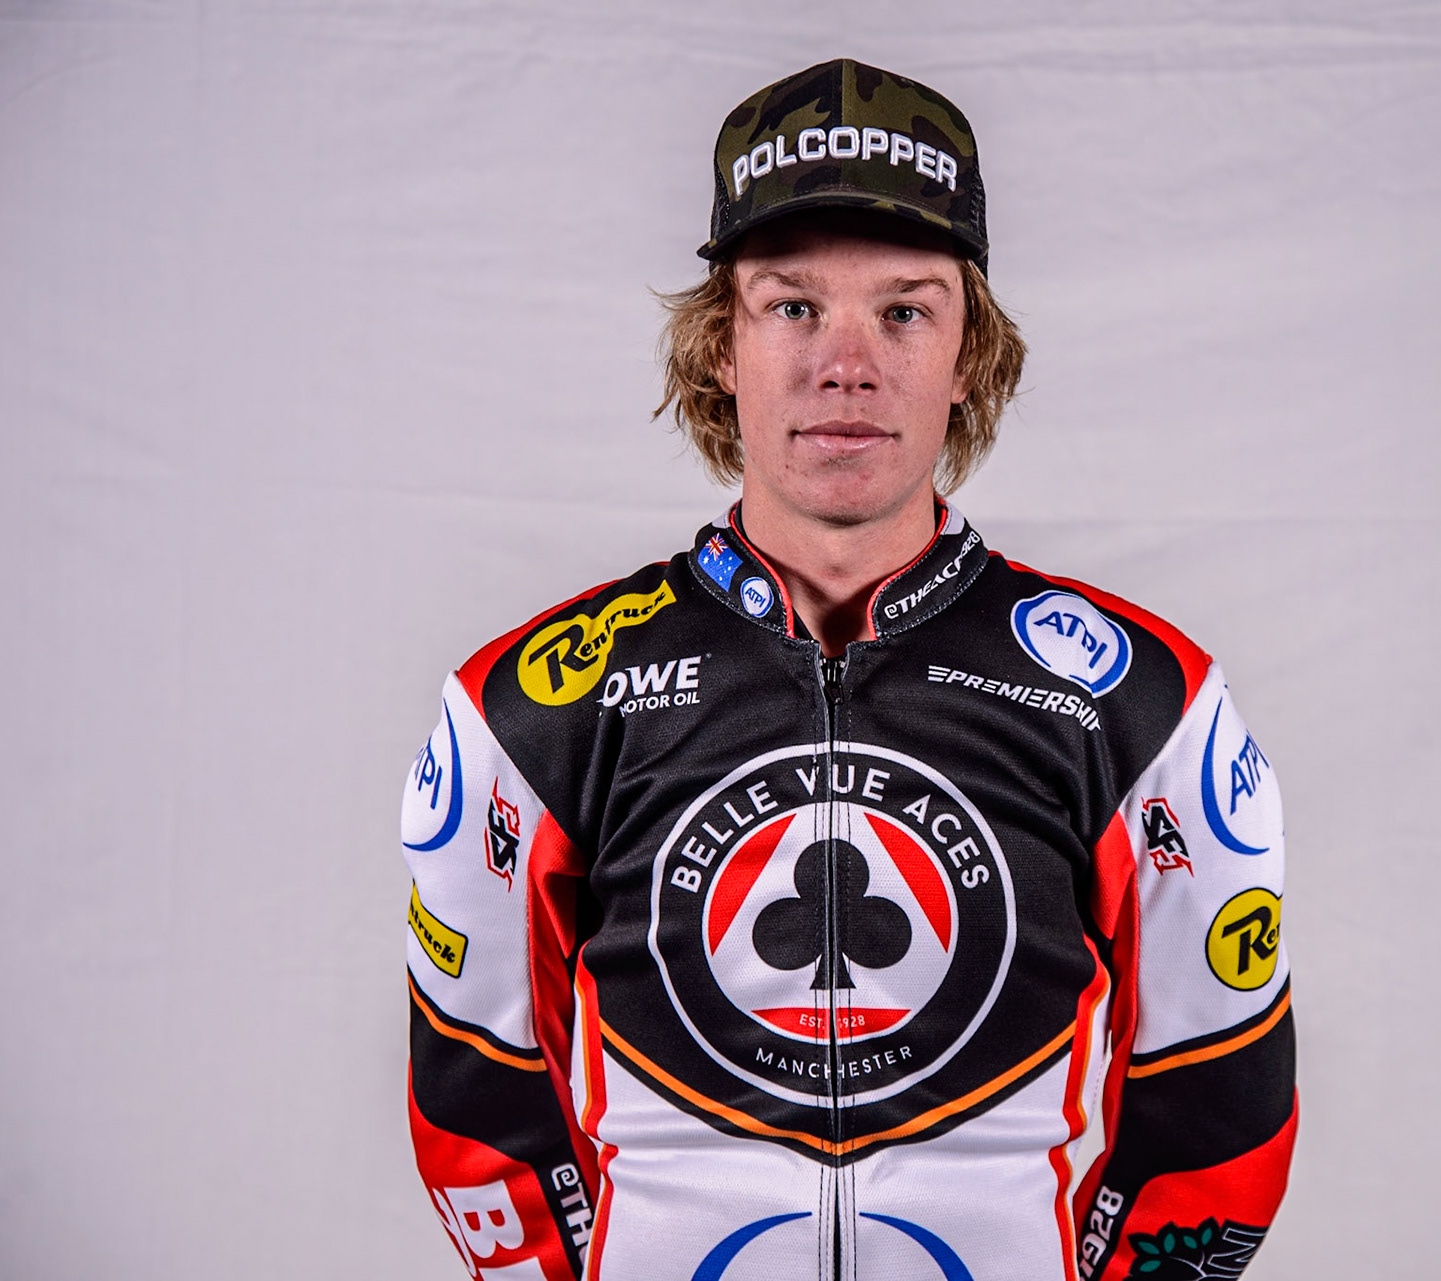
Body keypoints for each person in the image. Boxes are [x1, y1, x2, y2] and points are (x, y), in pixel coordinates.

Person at [401, 57, 1295, 1281]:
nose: (848, 364)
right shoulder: (525, 712)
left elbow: (1220, 1096)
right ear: (722, 342)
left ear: (972, 349)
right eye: (793, 307)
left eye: (907, 309)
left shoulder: (1145, 703)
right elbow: (476, 1097)